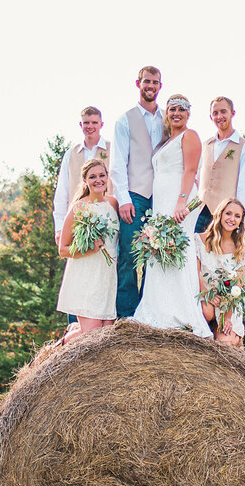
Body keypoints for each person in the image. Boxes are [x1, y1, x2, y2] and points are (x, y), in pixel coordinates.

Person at [132, 94, 211, 336]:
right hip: (162, 204)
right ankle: (157, 312)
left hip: (180, 202)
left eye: (181, 109)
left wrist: (181, 202)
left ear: (188, 113)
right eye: (172, 109)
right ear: (167, 114)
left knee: (178, 252)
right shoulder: (167, 141)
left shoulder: (190, 136)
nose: (176, 113)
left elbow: (189, 170)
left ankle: (182, 312)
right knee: (160, 252)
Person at [112, 66, 164, 318]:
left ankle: (149, 312)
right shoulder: (125, 119)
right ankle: (126, 314)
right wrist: (123, 198)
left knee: (158, 257)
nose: (150, 86)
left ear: (160, 86)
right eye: (146, 81)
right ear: (138, 83)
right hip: (134, 196)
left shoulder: (168, 119)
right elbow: (117, 164)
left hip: (162, 198)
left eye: (155, 82)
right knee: (129, 257)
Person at [55, 158, 119, 341]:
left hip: (107, 279)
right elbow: (63, 250)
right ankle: (56, 351)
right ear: (85, 181)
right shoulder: (79, 208)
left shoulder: (113, 203)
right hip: (86, 278)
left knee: (105, 336)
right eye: (92, 177)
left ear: (107, 177)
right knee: (90, 335)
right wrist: (89, 249)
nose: (98, 180)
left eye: (101, 175)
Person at [196, 198, 245, 346]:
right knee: (207, 313)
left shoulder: (244, 249)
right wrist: (206, 294)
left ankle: (231, 336)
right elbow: (196, 271)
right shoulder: (200, 240)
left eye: (237, 216)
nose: (232, 219)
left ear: (241, 222)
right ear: (220, 214)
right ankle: (210, 326)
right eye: (228, 213)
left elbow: (237, 288)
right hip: (205, 295)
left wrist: (227, 317)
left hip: (228, 303)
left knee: (225, 343)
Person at [195, 96, 245, 234]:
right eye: (215, 113)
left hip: (226, 217)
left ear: (232, 113)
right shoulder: (205, 145)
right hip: (199, 213)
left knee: (221, 255)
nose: (219, 116)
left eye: (223, 112)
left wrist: (239, 220)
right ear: (211, 117)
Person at [53, 106, 111, 244]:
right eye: (86, 123)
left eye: (94, 123)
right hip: (77, 220)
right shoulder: (71, 154)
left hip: (107, 218)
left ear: (101, 125)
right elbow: (62, 192)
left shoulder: (112, 149)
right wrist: (60, 228)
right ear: (81, 125)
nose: (90, 126)